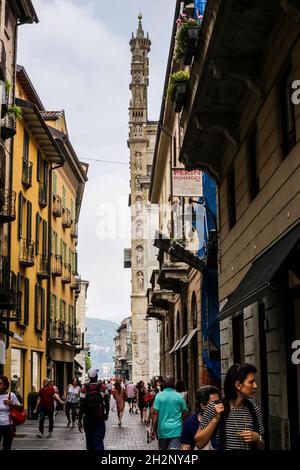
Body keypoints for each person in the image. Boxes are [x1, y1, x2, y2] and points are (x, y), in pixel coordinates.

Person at [195, 363, 265, 450]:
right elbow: (199, 443)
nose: (255, 386)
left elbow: (262, 446)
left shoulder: (255, 410)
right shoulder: (214, 407)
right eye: (251, 382)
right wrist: (215, 420)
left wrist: (257, 437)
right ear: (238, 385)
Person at [152, 376, 188, 450]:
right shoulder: (180, 396)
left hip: (162, 429)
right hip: (176, 429)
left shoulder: (158, 396)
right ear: (173, 384)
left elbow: (155, 414)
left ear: (164, 384)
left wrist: (153, 427)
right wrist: (183, 424)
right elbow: (185, 413)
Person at [78, 368, 109, 450]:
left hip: (88, 419)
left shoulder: (83, 388)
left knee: (89, 441)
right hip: (99, 418)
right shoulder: (103, 387)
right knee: (99, 441)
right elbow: (107, 402)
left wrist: (79, 420)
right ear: (97, 376)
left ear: (89, 377)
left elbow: (81, 406)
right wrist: (106, 414)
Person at [180, 385, 220, 450]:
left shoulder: (222, 418)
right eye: (214, 403)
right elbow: (185, 447)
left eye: (218, 402)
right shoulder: (190, 422)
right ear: (203, 405)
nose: (218, 405)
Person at [0, 375, 22, 450]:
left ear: (5, 385)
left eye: (0, 383)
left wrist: (12, 404)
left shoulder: (11, 395)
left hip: (8, 425)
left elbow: (20, 408)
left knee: (6, 446)